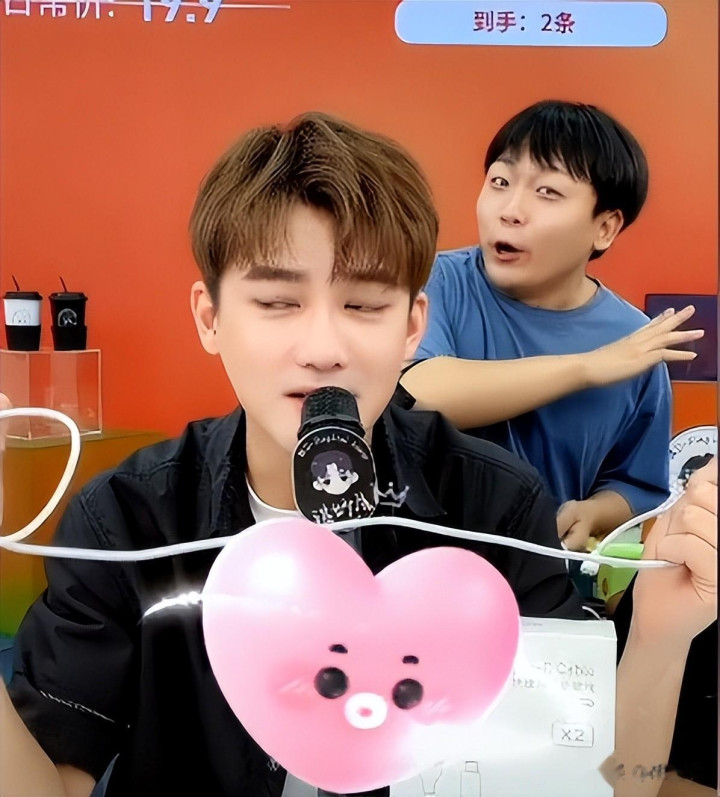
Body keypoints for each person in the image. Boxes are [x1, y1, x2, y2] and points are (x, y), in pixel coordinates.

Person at [0, 113, 715, 797]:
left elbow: (593, 780)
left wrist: (660, 635)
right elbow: (51, 782)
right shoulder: (128, 520)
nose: (322, 350)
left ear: (412, 327)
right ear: (210, 319)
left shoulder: (494, 507)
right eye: (278, 303)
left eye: (364, 306)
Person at [399, 100, 704, 552]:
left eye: (547, 192)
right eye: (500, 182)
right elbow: (417, 394)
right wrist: (587, 367)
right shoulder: (435, 282)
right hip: (418, 566)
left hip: (548, 574)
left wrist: (594, 512)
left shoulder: (635, 343)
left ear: (604, 228)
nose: (510, 210)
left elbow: (634, 484)